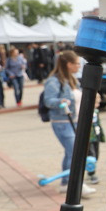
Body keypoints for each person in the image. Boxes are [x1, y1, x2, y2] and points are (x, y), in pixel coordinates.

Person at [43, 50, 96, 197]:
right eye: (77, 63)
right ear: (68, 64)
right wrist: (61, 101)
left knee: (70, 153)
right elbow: (48, 100)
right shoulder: (54, 81)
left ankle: (66, 184)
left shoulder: (72, 79)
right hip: (62, 122)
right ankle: (76, 185)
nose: (79, 66)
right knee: (74, 153)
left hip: (75, 121)